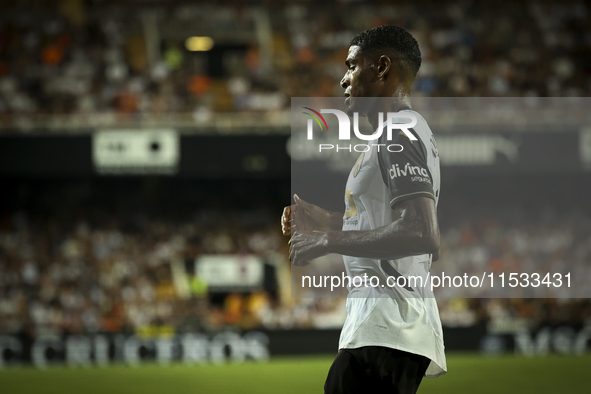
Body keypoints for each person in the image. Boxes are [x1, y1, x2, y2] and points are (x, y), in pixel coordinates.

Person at [282, 25, 446, 394]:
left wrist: (327, 240)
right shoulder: (396, 133)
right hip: (382, 327)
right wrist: (323, 219)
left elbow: (423, 233)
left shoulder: (397, 133)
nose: (343, 79)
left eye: (352, 66)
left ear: (382, 67)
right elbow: (383, 221)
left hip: (390, 327)